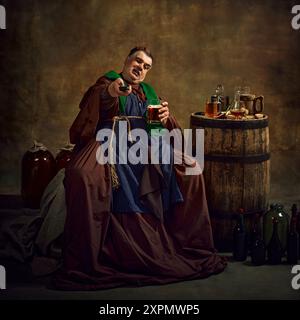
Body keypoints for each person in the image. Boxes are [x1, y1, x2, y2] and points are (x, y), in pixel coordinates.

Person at [53, 47, 226, 290]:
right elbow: (100, 98)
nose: (141, 69)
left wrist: (165, 118)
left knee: (191, 168)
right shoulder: (110, 82)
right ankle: (111, 248)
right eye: (138, 61)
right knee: (82, 175)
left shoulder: (148, 93)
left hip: (145, 143)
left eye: (146, 67)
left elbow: (163, 129)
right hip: (110, 139)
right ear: (126, 61)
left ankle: (184, 239)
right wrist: (111, 92)